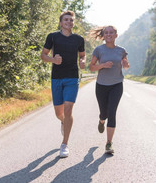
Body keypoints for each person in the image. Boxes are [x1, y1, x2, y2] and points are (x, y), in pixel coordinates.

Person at [41, 10, 86, 158]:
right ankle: (64, 123)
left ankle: (64, 144)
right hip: (57, 78)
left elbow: (82, 55)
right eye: (66, 20)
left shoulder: (79, 39)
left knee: (68, 110)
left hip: (72, 78)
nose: (69, 22)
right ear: (61, 23)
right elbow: (43, 55)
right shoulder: (52, 37)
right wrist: (53, 60)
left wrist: (82, 61)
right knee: (59, 113)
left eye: (71, 20)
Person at [89, 25, 129, 154]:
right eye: (106, 33)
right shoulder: (99, 50)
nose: (109, 35)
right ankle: (101, 120)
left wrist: (126, 65)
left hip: (117, 84)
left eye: (111, 33)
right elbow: (91, 67)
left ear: (116, 35)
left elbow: (126, 65)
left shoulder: (121, 50)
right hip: (101, 85)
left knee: (112, 112)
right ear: (104, 35)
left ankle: (109, 143)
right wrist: (103, 65)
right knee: (104, 113)